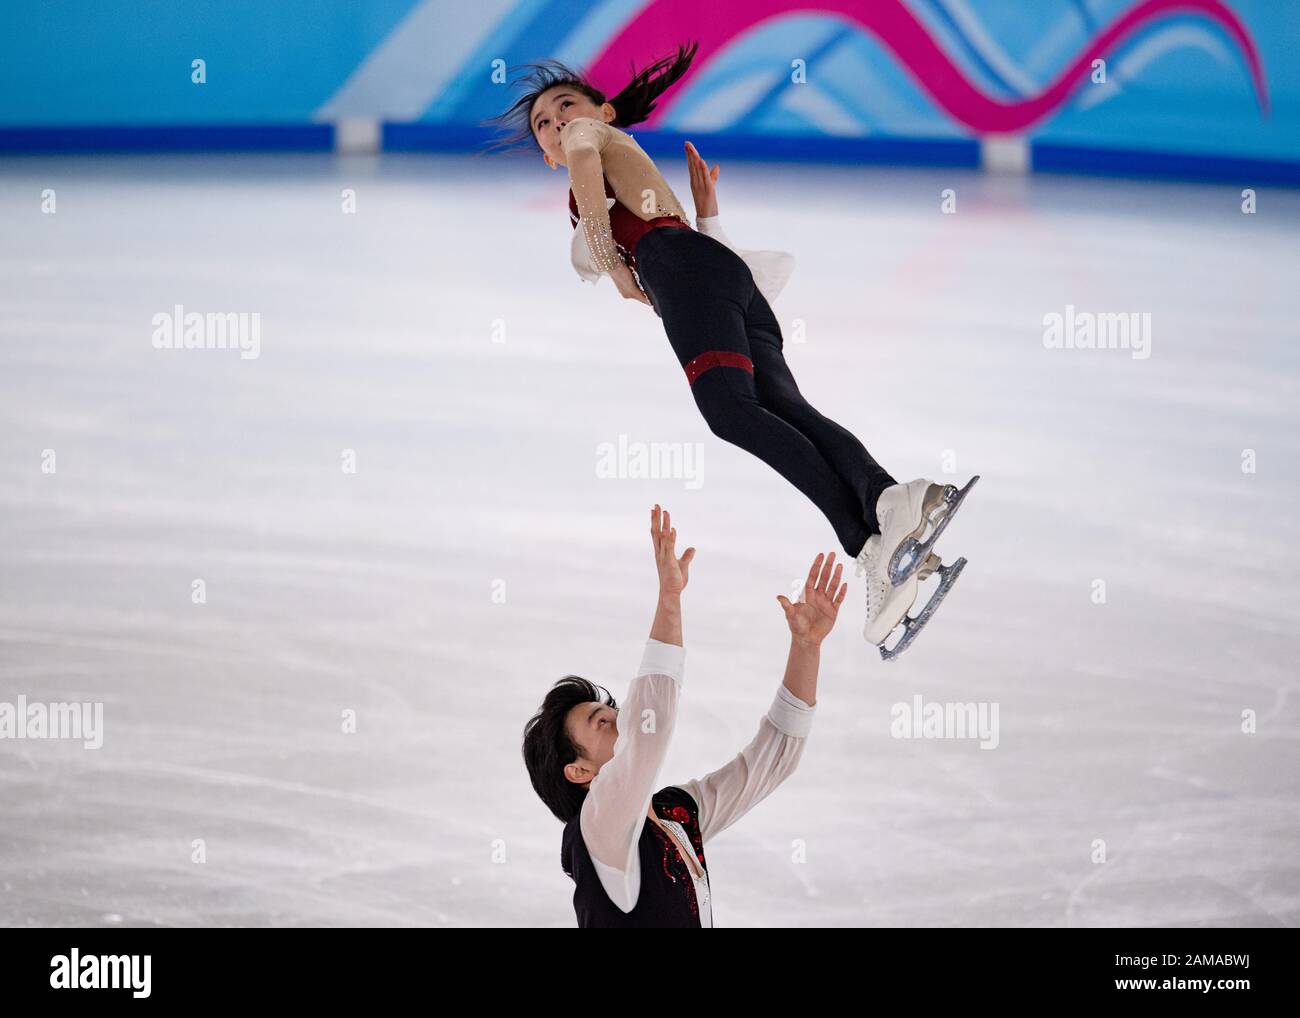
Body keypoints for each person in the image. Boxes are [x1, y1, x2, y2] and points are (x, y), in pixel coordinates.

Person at [487, 42, 977, 657]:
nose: (558, 122)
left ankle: (875, 533)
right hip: (715, 273)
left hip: (684, 269)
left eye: (566, 107)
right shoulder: (616, 159)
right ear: (543, 156)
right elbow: (694, 249)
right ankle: (885, 512)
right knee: (781, 405)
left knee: (730, 410)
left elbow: (593, 175)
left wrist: (614, 267)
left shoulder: (587, 140)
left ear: (602, 112)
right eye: (543, 125)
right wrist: (707, 216)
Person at [521, 505, 845, 927]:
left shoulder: (677, 815)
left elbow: (771, 760)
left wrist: (807, 647)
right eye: (600, 722)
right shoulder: (597, 828)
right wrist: (669, 599)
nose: (618, 717)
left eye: (612, 710)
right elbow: (648, 729)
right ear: (580, 771)